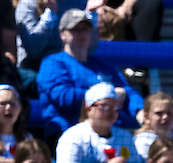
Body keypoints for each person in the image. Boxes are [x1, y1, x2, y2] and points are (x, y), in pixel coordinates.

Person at [36, 9, 142, 142]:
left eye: (85, 29)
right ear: (62, 34)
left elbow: (128, 92)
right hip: (67, 134)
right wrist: (105, 96)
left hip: (109, 134)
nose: (81, 34)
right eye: (75, 29)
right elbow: (63, 96)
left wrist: (140, 111)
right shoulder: (52, 63)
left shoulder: (104, 66)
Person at [132, 92, 173, 163]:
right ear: (147, 116)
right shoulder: (141, 143)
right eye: (159, 113)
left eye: (169, 113)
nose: (165, 117)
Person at [0, 84, 31, 163]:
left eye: (13, 104)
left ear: (20, 108)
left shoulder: (26, 137)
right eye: (3, 104)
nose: (8, 108)